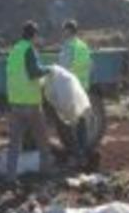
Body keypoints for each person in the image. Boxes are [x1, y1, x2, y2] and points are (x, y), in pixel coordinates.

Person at [5, 21, 53, 184]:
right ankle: (45, 170)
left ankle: (11, 176)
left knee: (14, 143)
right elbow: (34, 73)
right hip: (31, 103)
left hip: (15, 103)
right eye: (37, 35)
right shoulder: (29, 50)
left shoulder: (14, 51)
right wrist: (48, 69)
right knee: (42, 138)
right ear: (33, 35)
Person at [57, 19, 93, 164]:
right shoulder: (83, 45)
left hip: (71, 88)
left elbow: (63, 69)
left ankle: (78, 155)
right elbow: (90, 66)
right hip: (83, 88)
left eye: (64, 30)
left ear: (68, 31)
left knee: (71, 124)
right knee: (81, 123)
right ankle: (83, 152)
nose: (62, 33)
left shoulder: (68, 47)